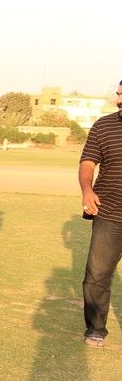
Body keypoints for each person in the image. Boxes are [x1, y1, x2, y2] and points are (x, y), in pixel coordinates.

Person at [79, 79, 122, 347]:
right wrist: (87, 189)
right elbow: (87, 162)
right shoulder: (103, 126)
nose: (119, 100)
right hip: (109, 214)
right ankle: (95, 328)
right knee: (97, 274)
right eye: (118, 94)